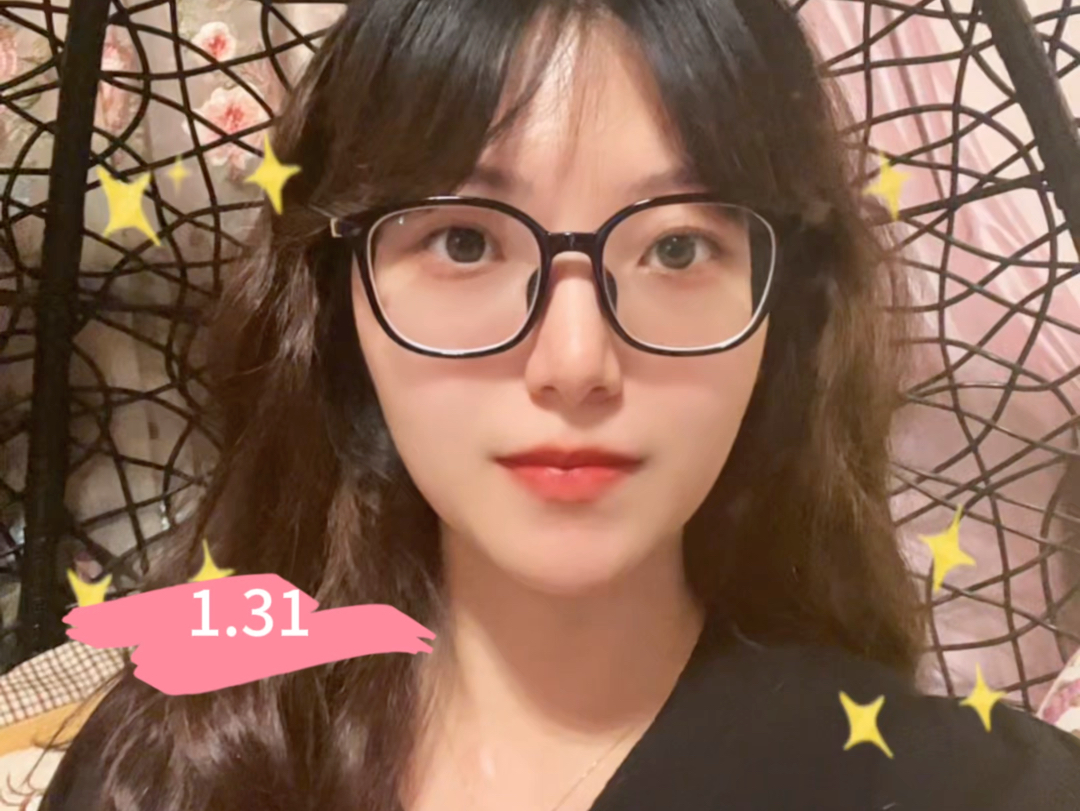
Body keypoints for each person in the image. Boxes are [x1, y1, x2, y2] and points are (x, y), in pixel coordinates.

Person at [40, 0, 1080, 809]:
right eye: (465, 241)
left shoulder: (971, 789)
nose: (575, 360)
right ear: (337, 297)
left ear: (784, 313)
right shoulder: (169, 758)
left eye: (678, 247)